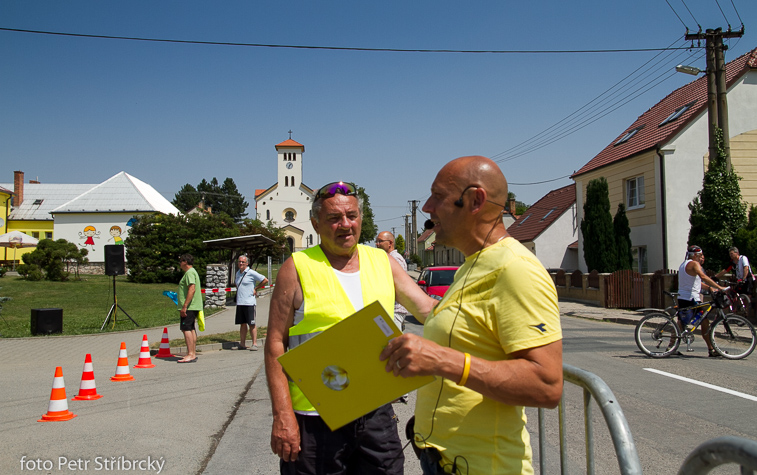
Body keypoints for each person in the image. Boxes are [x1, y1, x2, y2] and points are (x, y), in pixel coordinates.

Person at [379, 156, 564, 475]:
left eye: (438, 196)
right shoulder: (471, 265)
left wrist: (442, 361)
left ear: (475, 199)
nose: (427, 207)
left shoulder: (515, 269)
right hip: (441, 459)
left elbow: (547, 385)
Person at [265, 181, 436, 474]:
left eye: (352, 216)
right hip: (315, 417)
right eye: (334, 218)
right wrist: (283, 415)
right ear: (317, 224)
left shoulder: (382, 262)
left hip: (375, 412)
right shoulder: (296, 267)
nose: (345, 224)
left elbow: (428, 311)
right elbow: (274, 344)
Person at [678, 245, 727, 357]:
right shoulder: (694, 264)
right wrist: (719, 288)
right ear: (695, 255)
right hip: (691, 299)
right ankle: (711, 349)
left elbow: (696, 283)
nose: (701, 258)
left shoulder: (683, 264)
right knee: (701, 322)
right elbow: (703, 277)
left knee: (683, 322)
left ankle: (671, 346)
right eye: (700, 255)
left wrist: (709, 288)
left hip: (684, 297)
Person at [376, 231, 410, 329]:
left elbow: (397, 286)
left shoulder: (395, 259)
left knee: (392, 342)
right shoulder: (388, 258)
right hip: (389, 309)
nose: (377, 244)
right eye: (377, 241)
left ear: (390, 243)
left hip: (394, 310)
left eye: (380, 241)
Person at [235, 255, 269, 350]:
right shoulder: (238, 273)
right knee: (242, 324)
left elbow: (265, 280)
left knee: (251, 323)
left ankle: (254, 343)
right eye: (239, 261)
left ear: (247, 263)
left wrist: (256, 288)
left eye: (243, 262)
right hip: (240, 302)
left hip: (249, 302)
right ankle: (242, 343)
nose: (241, 263)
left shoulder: (251, 273)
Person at [178, 254, 203, 363]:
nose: (179, 263)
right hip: (193, 306)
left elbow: (191, 289)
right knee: (191, 328)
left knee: (186, 328)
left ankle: (190, 354)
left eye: (181, 261)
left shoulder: (189, 273)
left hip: (190, 306)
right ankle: (192, 353)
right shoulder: (192, 272)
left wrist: (185, 306)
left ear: (185, 262)